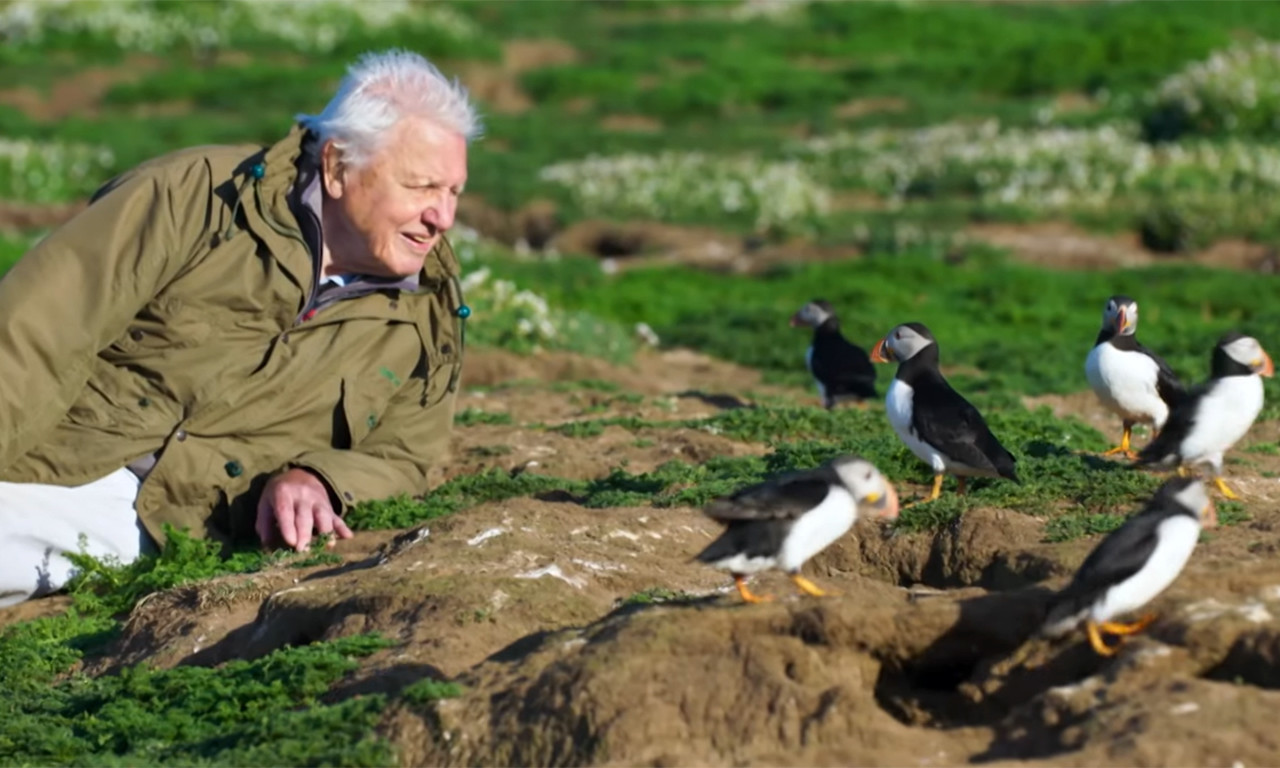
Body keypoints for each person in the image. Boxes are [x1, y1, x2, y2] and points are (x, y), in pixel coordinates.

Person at [0, 49, 481, 607]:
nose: (442, 218)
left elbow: (405, 456)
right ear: (337, 167)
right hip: (59, 470)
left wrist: (320, 478)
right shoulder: (193, 196)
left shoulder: (430, 309)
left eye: (453, 192)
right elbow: (33, 334)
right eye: (422, 187)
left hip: (195, 534)